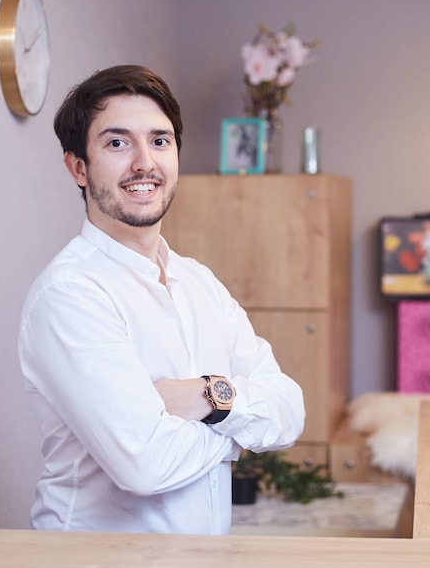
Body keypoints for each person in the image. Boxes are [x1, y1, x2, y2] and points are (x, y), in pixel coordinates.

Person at [17, 65, 305, 535]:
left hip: (198, 567)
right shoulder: (71, 293)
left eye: (159, 140)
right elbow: (145, 464)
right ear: (78, 168)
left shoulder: (199, 282)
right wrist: (239, 433)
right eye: (117, 142)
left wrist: (206, 396)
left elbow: (289, 410)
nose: (144, 163)